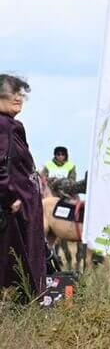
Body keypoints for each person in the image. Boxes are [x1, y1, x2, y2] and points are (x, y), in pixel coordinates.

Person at [0, 74, 46, 303]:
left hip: (22, 206)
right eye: (13, 92)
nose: (18, 97)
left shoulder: (12, 125)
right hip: (16, 210)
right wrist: (9, 197)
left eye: (21, 93)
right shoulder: (3, 125)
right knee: (19, 264)